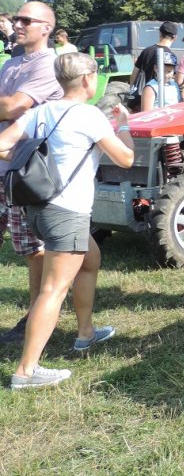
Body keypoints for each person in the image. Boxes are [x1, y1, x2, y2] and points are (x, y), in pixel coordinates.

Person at [0, 52, 134, 388]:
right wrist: (125, 124)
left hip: (38, 209)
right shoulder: (90, 116)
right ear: (88, 79)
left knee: (90, 260)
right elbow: (126, 159)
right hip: (67, 212)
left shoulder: (40, 112)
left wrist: (25, 159)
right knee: (53, 290)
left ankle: (85, 333)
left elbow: (2, 143)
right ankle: (26, 371)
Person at [0, 2, 65, 345]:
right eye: (16, 19)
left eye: (26, 20)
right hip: (3, 163)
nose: (18, 24)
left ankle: (35, 316)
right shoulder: (11, 63)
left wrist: (9, 105)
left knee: (32, 247)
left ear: (46, 28)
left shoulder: (49, 64)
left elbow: (13, 106)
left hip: (25, 169)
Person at [129, 20, 178, 92]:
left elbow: (135, 73)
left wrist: (131, 89)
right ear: (175, 37)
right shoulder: (171, 56)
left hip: (145, 92)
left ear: (160, 34)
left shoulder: (146, 51)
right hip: (162, 93)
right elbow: (173, 78)